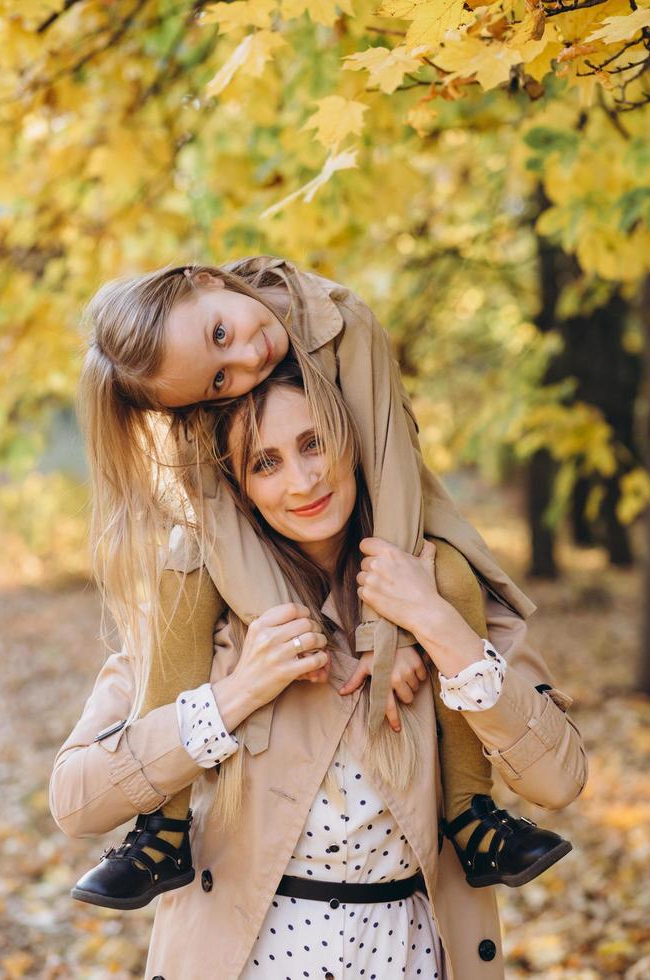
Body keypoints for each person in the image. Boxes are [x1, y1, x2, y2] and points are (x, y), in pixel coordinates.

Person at [67, 255, 574, 910]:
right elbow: (74, 802)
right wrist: (243, 685)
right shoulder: (200, 607)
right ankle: (161, 832)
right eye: (264, 462)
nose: (247, 361)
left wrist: (401, 629)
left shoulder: (342, 325)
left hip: (404, 945)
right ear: (236, 480)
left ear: (207, 279)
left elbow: (392, 468)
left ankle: (471, 812)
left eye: (313, 444)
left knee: (450, 572)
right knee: (186, 570)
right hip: (260, 949)